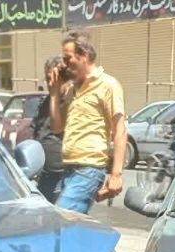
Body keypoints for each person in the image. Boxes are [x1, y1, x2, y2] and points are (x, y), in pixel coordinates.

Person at [49, 31, 127, 214]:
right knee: (69, 224)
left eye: (67, 58)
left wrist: (116, 174)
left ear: (83, 56)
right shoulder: (73, 89)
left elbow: (120, 130)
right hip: (68, 168)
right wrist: (54, 93)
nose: (64, 64)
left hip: (88, 170)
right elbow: (57, 127)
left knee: (61, 220)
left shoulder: (107, 85)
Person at [31, 56, 67, 201]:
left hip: (63, 174)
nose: (50, 83)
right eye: (47, 79)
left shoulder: (72, 101)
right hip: (44, 174)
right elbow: (37, 129)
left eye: (53, 78)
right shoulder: (46, 101)